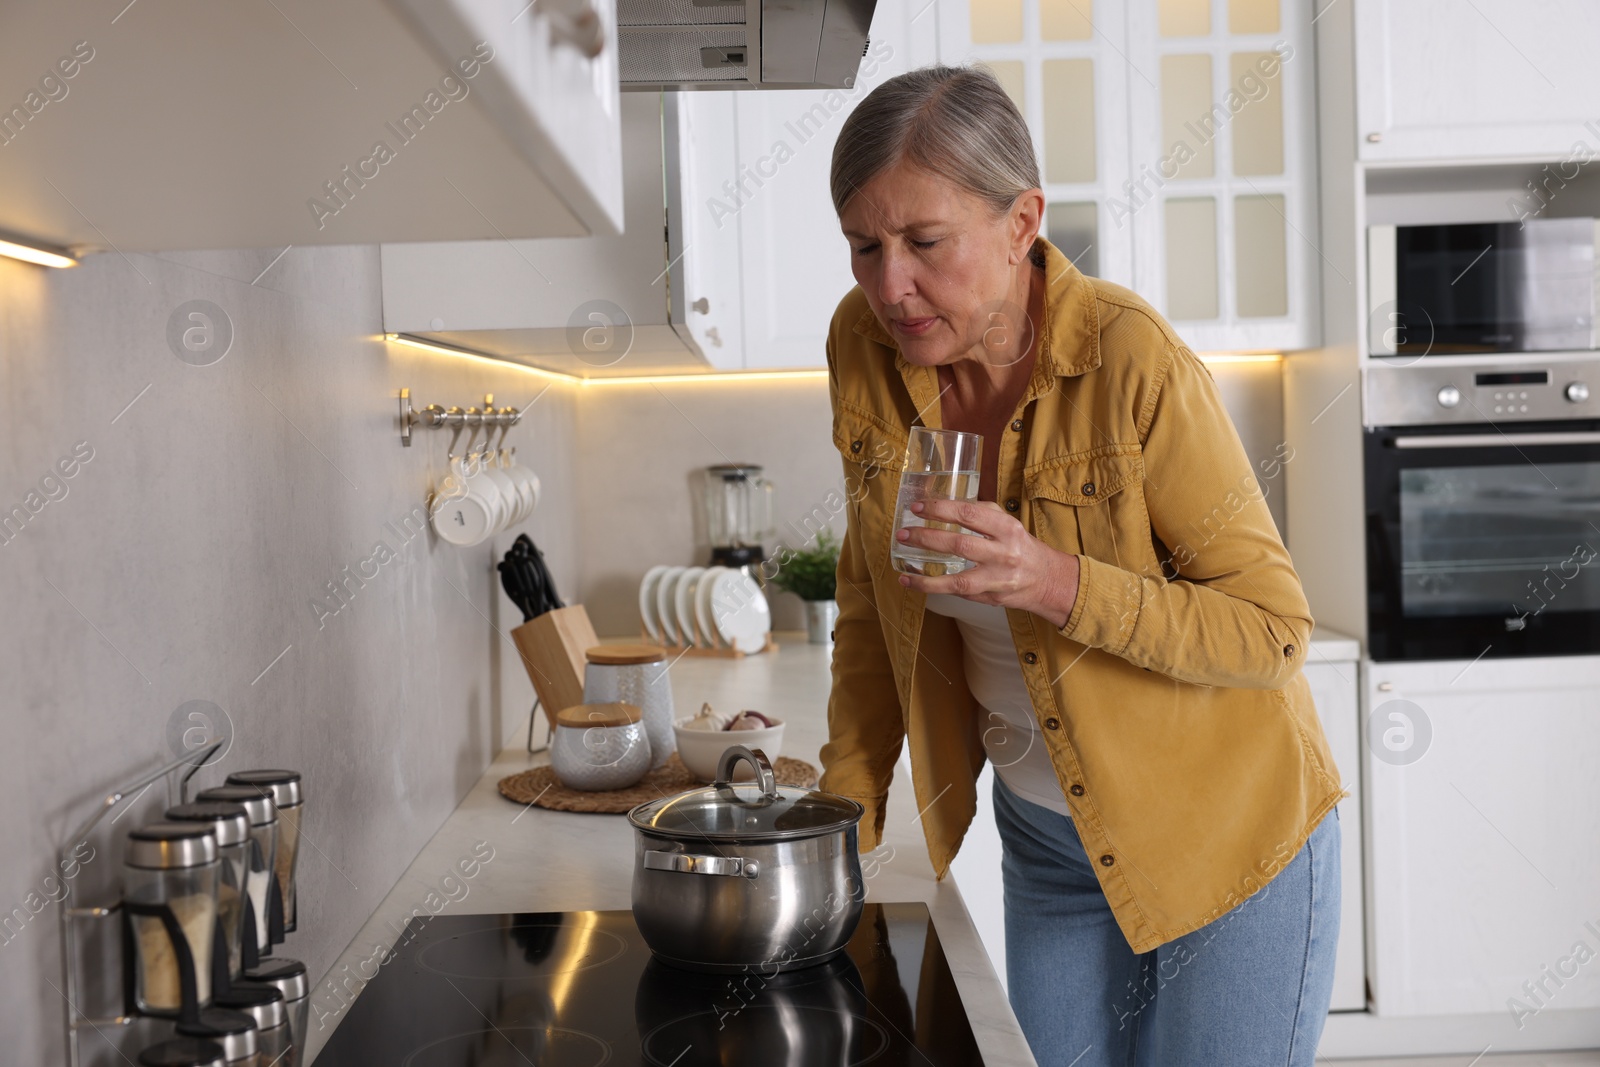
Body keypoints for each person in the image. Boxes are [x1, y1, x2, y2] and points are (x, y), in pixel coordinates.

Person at [817, 65, 1343, 1067]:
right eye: (863, 247)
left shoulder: (1130, 357)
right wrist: (844, 808)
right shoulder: (863, 345)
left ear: (1022, 221)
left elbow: (1271, 629)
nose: (890, 285)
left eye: (925, 243)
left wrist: (1053, 581)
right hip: (1049, 845)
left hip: (1226, 838)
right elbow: (865, 588)